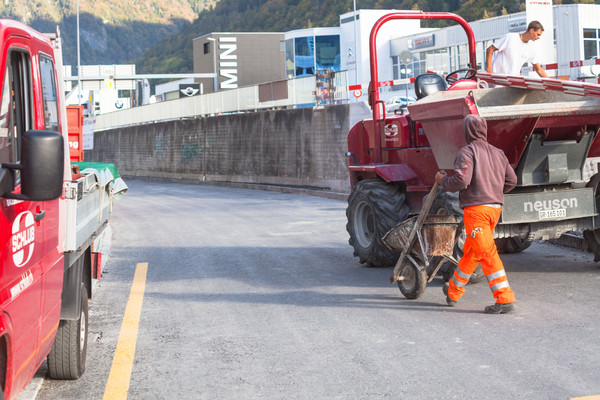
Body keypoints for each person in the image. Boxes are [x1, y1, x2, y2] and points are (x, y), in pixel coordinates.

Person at [435, 114, 518, 314]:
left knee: (487, 253)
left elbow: (461, 180)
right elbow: (512, 180)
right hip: (494, 210)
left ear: (467, 132)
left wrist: (442, 182)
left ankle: (504, 298)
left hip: (476, 213)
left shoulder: (467, 152)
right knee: (472, 253)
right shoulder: (499, 153)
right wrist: (493, 192)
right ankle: (453, 290)